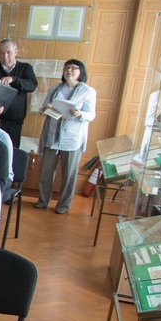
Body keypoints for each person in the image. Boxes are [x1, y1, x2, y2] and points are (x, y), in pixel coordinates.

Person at [36, 59, 97, 214]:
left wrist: (79, 113)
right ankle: (43, 201)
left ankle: (63, 205)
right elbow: (43, 108)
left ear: (81, 72)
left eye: (74, 68)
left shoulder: (88, 91)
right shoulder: (56, 87)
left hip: (72, 139)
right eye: (67, 68)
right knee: (46, 172)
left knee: (69, 174)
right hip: (51, 136)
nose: (69, 70)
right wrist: (47, 108)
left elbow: (91, 115)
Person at [0, 38, 38, 147]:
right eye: (1, 53)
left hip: (15, 120)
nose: (5, 56)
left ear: (16, 52)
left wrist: (14, 79)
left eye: (8, 52)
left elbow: (32, 85)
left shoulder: (25, 68)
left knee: (12, 150)